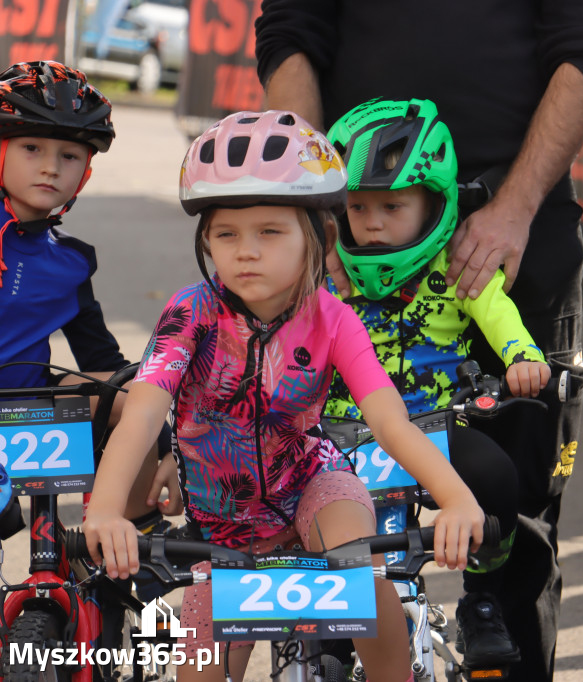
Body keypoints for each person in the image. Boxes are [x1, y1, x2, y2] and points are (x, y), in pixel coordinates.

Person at [254, 3, 583, 678]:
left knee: (515, 512)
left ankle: (490, 619)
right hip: (350, 231)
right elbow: (290, 35)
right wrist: (320, 205)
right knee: (323, 502)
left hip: (513, 238)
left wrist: (514, 204)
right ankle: (331, 650)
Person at [82, 110, 486, 682]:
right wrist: (104, 511)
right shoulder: (189, 312)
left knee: (360, 579)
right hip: (222, 531)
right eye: (226, 234)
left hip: (315, 490)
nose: (246, 251)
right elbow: (144, 414)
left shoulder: (335, 319)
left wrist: (459, 501)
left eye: (269, 232)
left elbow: (392, 425)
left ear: (318, 238)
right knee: (193, 671)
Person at [323, 97, 550, 668]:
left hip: (436, 428)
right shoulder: (326, 276)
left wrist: (524, 356)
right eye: (357, 207)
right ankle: (327, 621)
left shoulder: (457, 268)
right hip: (343, 433)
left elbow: (498, 315)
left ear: (433, 207)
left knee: (496, 476)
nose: (372, 222)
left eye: (392, 206)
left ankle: (482, 598)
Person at [0, 60, 176, 531]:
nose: (50, 167)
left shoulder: (72, 263)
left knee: (134, 398)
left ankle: (122, 557)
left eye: (70, 155)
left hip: (28, 407)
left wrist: (170, 437)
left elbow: (103, 361)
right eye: (31, 147)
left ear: (86, 171)